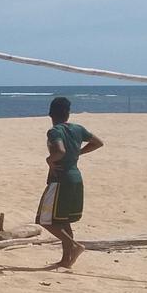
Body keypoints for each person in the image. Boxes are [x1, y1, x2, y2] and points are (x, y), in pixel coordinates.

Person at [36, 96, 103, 268]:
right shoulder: (78, 129)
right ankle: (67, 260)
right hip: (76, 178)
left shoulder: (55, 131)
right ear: (68, 113)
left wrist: (50, 161)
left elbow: (60, 150)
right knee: (64, 221)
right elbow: (98, 142)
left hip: (60, 180)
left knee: (44, 219)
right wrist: (78, 153)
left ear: (51, 113)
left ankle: (74, 245)